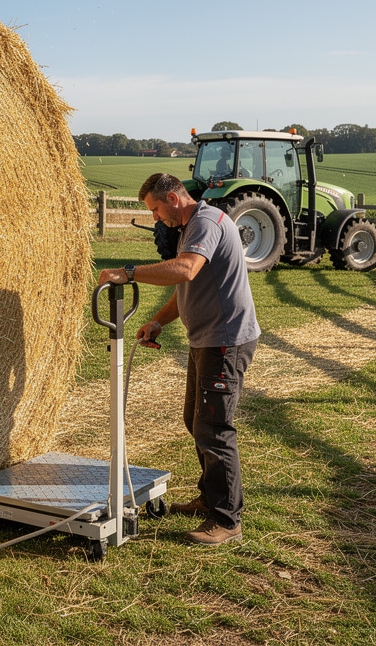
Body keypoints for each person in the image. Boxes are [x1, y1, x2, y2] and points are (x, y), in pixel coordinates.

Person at [97, 173, 260, 545]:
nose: (155, 218)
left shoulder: (205, 222)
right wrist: (158, 320)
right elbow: (188, 285)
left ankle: (226, 519)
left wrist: (129, 274)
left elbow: (185, 269)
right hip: (207, 339)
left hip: (225, 342)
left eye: (155, 209)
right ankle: (211, 498)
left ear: (172, 198)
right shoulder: (193, 225)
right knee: (196, 419)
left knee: (214, 428)